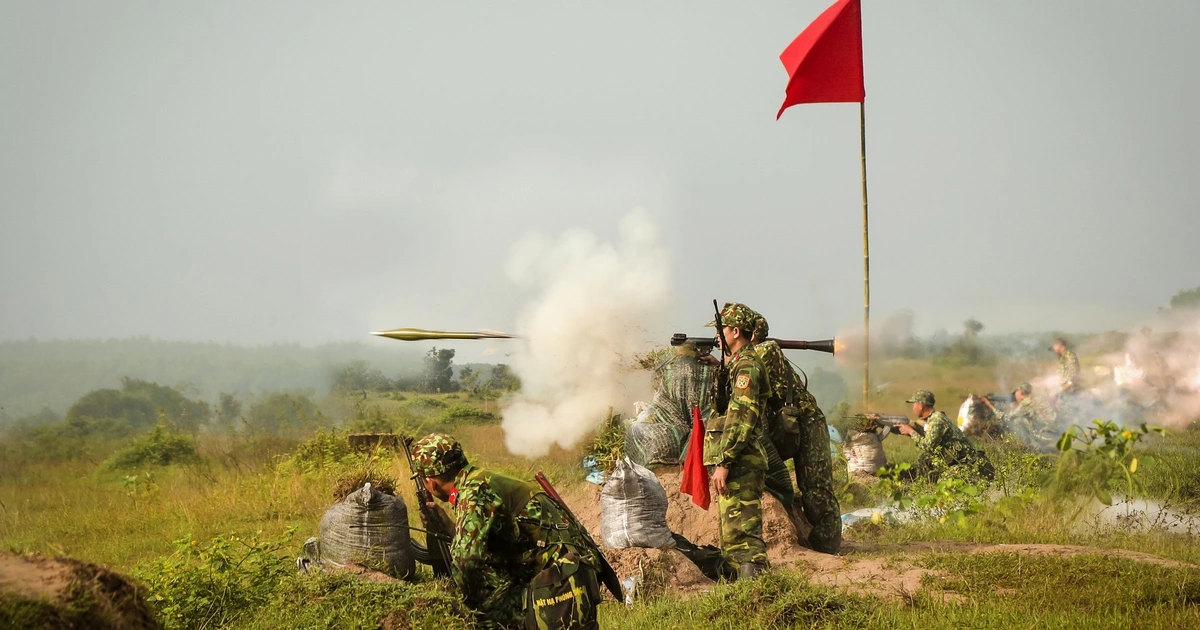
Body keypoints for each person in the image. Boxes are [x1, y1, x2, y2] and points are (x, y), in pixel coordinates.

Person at [409, 433, 602, 630]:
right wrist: (449, 526)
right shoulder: (480, 479)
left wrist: (461, 609)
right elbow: (490, 541)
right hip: (571, 573)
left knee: (484, 613)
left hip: (559, 583)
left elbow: (466, 561)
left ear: (431, 482)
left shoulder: (473, 492)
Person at [748, 313, 842, 555]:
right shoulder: (757, 354)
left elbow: (745, 371)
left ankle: (827, 547)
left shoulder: (766, 350)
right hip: (794, 424)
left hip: (809, 424)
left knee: (816, 488)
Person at [703, 302, 771, 579]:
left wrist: (725, 461)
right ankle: (738, 597)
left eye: (721, 330)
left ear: (735, 331)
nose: (718, 336)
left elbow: (742, 418)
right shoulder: (737, 366)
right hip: (736, 462)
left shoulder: (747, 368)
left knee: (744, 539)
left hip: (740, 462)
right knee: (732, 539)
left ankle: (757, 597)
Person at [893, 390, 993, 481]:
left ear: (921, 405)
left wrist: (911, 432)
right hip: (961, 461)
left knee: (945, 480)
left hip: (973, 464)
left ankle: (934, 488)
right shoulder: (933, 419)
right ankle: (929, 485)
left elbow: (928, 446)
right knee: (925, 457)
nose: (913, 407)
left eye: (914, 404)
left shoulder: (937, 420)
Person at [978, 382, 1057, 452]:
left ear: (1021, 392)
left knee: (1017, 421)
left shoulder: (1026, 404)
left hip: (1045, 434)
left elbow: (1005, 417)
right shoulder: (1037, 399)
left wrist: (988, 404)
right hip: (1054, 430)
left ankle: (1031, 447)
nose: (1014, 395)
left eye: (1015, 392)